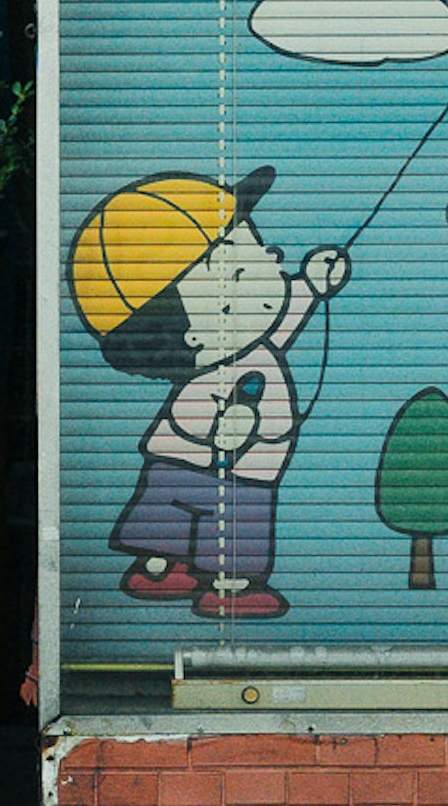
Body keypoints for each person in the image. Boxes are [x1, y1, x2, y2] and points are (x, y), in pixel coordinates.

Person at [67, 166, 349, 621]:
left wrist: (313, 283)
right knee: (190, 518)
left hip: (250, 469)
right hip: (190, 461)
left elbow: (283, 316)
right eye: (241, 268)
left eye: (257, 247)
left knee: (214, 517)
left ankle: (192, 572)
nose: (273, 255)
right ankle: (181, 572)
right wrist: (218, 429)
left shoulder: (256, 342)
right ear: (194, 337)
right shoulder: (207, 371)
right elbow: (186, 418)